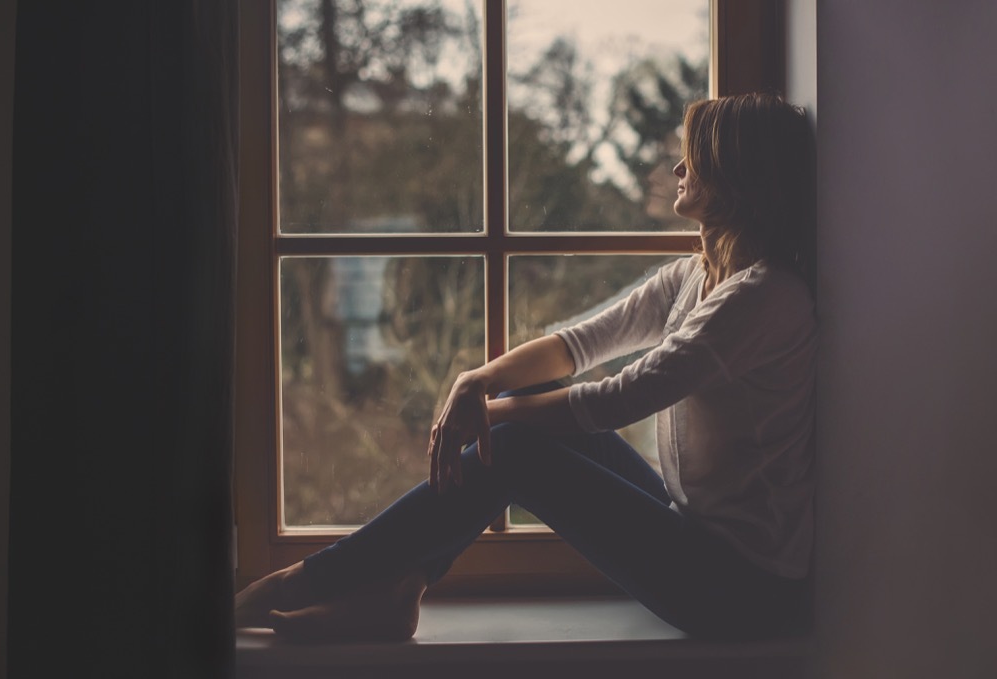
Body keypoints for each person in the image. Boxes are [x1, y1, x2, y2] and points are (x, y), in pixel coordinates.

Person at [235, 92, 817, 641]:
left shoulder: (764, 298)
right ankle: (397, 588)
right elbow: (575, 345)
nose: (678, 169)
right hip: (693, 535)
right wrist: (479, 381)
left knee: (513, 448)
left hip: (742, 590)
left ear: (736, 181)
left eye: (695, 158)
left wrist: (485, 415)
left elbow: (619, 398)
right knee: (527, 393)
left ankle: (309, 579)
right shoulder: (698, 274)